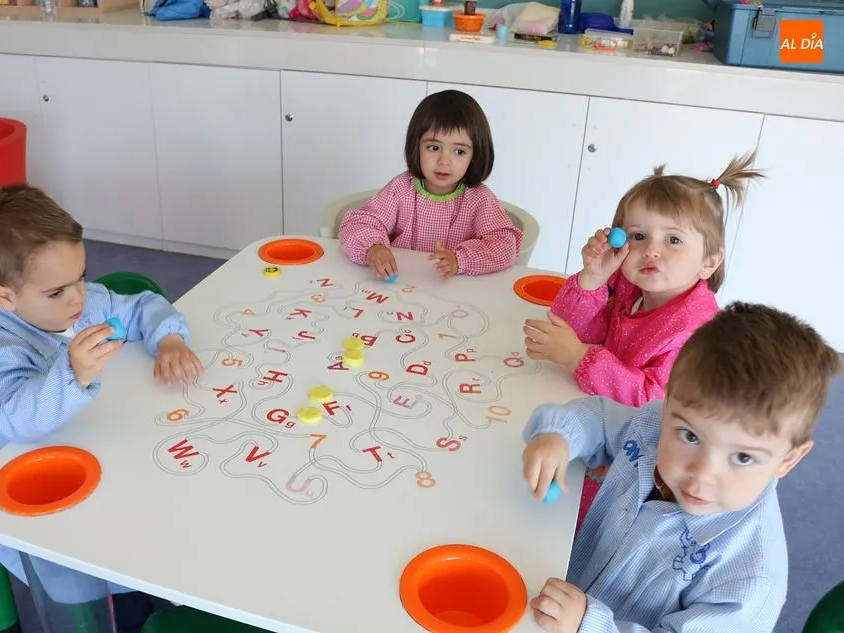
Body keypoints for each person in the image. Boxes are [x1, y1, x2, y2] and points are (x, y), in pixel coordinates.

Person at [521, 302, 841, 633]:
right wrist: (558, 434)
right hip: (549, 585)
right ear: (668, 402)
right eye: (690, 436)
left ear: (788, 459)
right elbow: (600, 420)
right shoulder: (656, 425)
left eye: (743, 457)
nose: (701, 473)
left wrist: (590, 624)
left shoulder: (751, 579)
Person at [0, 183, 204, 631]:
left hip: (102, 449)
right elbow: (15, 416)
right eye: (57, 292)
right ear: (6, 298)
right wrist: (72, 374)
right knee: (115, 588)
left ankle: (153, 582)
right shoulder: (4, 352)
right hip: (44, 494)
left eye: (81, 276)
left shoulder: (86, 303)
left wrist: (169, 338)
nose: (79, 298)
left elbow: (142, 307)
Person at [523, 151, 764, 523]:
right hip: (598, 421)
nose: (651, 249)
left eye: (673, 240)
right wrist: (593, 278)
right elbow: (575, 328)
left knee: (584, 524)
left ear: (709, 262)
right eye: (638, 236)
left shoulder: (696, 329)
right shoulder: (631, 284)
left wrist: (578, 358)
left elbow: (657, 403)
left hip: (645, 461)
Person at [338, 89, 522, 280]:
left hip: (456, 289)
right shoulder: (400, 189)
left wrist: (461, 260)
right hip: (402, 283)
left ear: (475, 155)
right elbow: (356, 223)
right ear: (416, 147)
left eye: (459, 151)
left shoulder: (479, 199)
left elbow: (505, 246)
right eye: (433, 148)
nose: (444, 161)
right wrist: (373, 248)